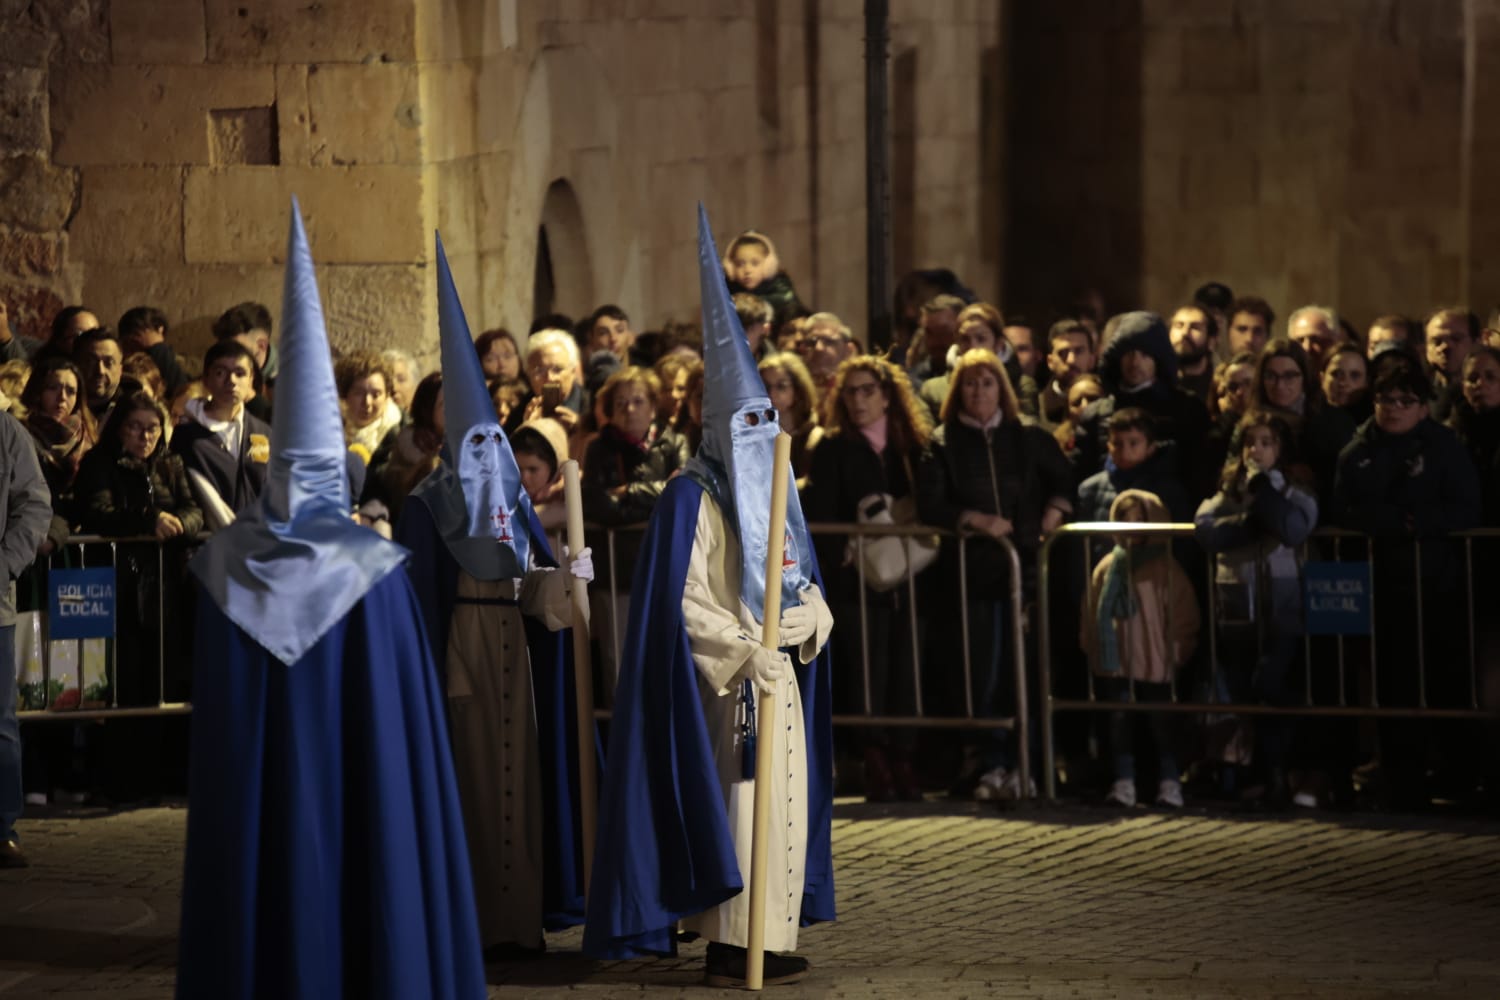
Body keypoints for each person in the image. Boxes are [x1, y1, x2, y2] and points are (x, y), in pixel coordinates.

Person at [177, 203, 486, 998]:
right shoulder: (378, 570)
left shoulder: (225, 567)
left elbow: (221, 737)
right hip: (360, 812)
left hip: (263, 823)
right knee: (375, 851)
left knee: (262, 879)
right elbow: (402, 736)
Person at [585, 208, 835, 987]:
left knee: (783, 809)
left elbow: (801, 576)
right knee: (738, 805)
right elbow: (684, 599)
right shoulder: (691, 499)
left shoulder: (777, 495)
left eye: (770, 419)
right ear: (721, 429)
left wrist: (812, 619)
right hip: (727, 685)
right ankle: (735, 942)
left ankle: (772, 933)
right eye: (748, 422)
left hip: (780, 672)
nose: (762, 433)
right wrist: (741, 651)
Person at [398, 235, 594, 961]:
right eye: (470, 443)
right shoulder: (427, 506)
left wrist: (566, 581)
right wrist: (432, 674)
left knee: (522, 785)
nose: (485, 457)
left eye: (492, 443)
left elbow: (536, 590)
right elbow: (420, 600)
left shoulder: (511, 504)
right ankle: (473, 923)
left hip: (516, 656)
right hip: (463, 657)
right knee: (474, 789)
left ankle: (519, 922)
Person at [916, 348, 1074, 800]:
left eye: (987, 382)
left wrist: (1052, 515)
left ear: (1001, 388)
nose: (979, 391)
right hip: (974, 576)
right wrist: (976, 520)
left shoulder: (1027, 435)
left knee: (1029, 671)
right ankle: (994, 762)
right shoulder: (943, 441)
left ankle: (1031, 764)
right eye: (970, 383)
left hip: (1025, 570)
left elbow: (1064, 480)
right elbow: (932, 502)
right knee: (985, 670)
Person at [805, 354, 932, 802]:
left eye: (868, 391)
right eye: (851, 392)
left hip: (911, 578)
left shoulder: (912, 445)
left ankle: (905, 756)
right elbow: (822, 512)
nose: (859, 400)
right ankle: (875, 757)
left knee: (906, 667)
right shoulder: (833, 447)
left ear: (888, 396)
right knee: (866, 666)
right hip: (857, 581)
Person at [1194, 411, 1317, 808]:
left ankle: (1278, 771)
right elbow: (1207, 528)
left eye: (1266, 442)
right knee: (1243, 690)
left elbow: (1294, 527)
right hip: (1237, 604)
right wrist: (1250, 523)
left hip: (1281, 604)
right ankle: (1254, 774)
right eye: (1251, 442)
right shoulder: (1229, 491)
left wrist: (1264, 494)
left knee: (1272, 684)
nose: (1256, 450)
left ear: (1279, 449)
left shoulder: (1293, 491)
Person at [1082, 489, 1201, 808]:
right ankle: (1123, 782)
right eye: (1125, 519)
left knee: (1161, 724)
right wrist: (1092, 646)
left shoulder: (1166, 569)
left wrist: (1177, 651)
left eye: (1140, 519)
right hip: (1116, 662)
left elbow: (1183, 614)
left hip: (1155, 663)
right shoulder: (1107, 567)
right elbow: (1091, 611)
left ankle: (1169, 781)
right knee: (1118, 723)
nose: (1132, 526)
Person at [0, 407, 52, 868]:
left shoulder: (6, 431)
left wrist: (3, 567)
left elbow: (34, 503)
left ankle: (1, 828)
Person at [170, 339, 272, 525]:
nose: (231, 381)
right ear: (206, 379)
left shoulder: (263, 432)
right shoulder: (187, 436)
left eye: (240, 373)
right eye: (220, 373)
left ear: (251, 380)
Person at [721, 227, 809, 331]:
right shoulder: (726, 293)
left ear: (769, 265)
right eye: (740, 264)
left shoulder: (784, 294)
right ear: (730, 267)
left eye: (755, 263)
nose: (747, 270)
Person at [758, 350, 821, 482]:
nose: (771, 393)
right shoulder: (752, 434)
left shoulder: (813, 437)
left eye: (781, 386)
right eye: (765, 386)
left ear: (798, 391)